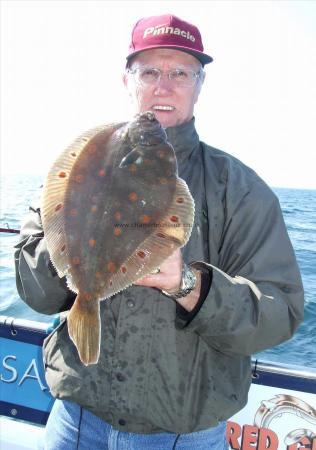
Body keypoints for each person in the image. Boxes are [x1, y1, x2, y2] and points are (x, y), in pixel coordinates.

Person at [14, 14, 304, 450]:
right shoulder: (81, 166)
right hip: (76, 420)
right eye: (149, 71)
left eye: (180, 73)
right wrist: (73, 251)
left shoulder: (242, 190)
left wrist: (189, 284)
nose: (163, 86)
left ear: (200, 83)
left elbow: (279, 314)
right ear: (127, 79)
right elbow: (35, 293)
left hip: (183, 436)